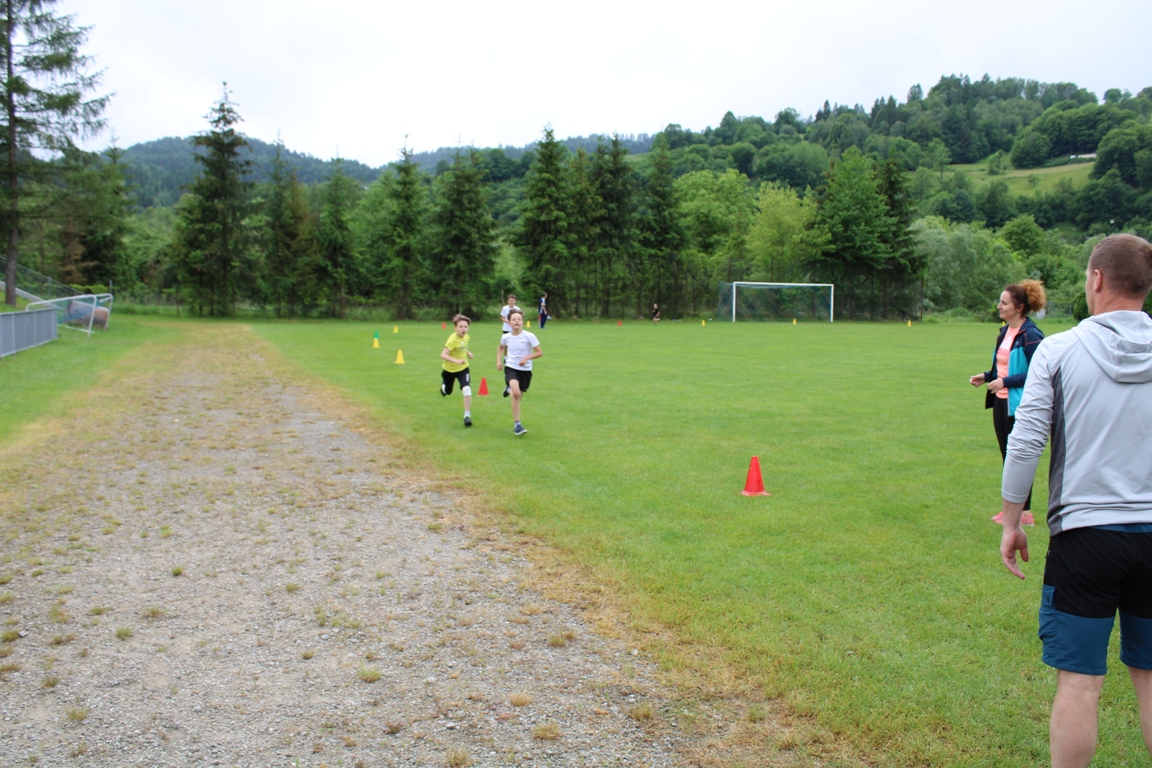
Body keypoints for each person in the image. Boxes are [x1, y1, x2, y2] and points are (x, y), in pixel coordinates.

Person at [998, 234, 1152, 768]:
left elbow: (1025, 444)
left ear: (1097, 279)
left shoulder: (1060, 350)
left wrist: (1011, 522)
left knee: (1080, 683)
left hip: (1085, 538)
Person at [969, 279, 1047, 525]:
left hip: (1020, 405)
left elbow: (1039, 371)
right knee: (1007, 455)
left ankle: (1025, 513)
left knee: (1019, 457)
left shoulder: (1031, 335)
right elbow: (1002, 367)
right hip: (1001, 403)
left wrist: (1005, 382)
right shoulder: (1004, 332)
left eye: (1004, 303)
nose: (999, 306)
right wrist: (987, 376)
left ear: (1019, 307)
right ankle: (1012, 510)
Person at [496, 309, 541, 436]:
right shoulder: (506, 337)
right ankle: (517, 425)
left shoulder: (529, 336)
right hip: (511, 367)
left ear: (522, 322)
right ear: (509, 322)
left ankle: (509, 389)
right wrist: (498, 361)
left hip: (525, 370)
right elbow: (500, 348)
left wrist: (527, 357)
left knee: (519, 396)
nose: (517, 321)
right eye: (514, 319)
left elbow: (539, 352)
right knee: (516, 394)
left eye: (519, 319)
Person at [440, 314, 475, 427]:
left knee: (467, 389)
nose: (463, 329)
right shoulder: (452, 339)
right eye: (461, 327)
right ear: (455, 328)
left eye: (465, 327)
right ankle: (443, 387)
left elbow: (463, 346)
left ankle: (467, 416)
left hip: (463, 369)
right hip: (449, 370)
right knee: (448, 392)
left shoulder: (466, 337)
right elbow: (443, 355)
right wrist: (456, 361)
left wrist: (468, 353)